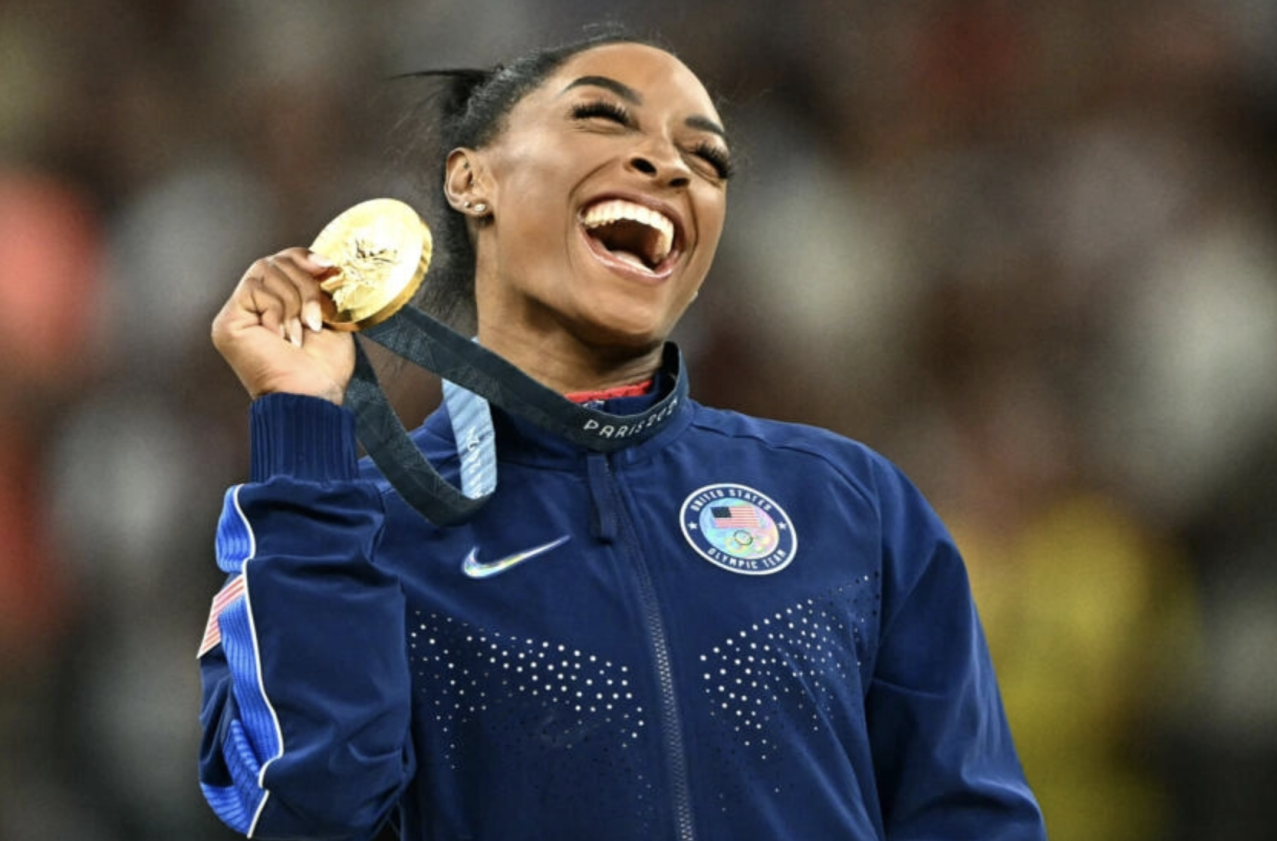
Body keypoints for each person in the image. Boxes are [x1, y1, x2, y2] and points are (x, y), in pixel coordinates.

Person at [197, 30, 1046, 841]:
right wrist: (304, 422)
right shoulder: (348, 528)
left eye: (707, 159)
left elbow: (971, 819)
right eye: (602, 117)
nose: (668, 164)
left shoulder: (848, 503)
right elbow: (307, 809)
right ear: (469, 178)